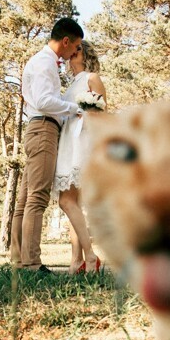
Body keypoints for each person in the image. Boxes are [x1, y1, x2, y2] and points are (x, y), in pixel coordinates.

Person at [10, 18, 84, 273]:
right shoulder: (44, 63)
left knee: (25, 199)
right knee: (37, 197)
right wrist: (76, 108)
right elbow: (43, 100)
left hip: (37, 128)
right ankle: (31, 264)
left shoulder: (45, 62)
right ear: (66, 41)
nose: (75, 52)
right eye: (75, 47)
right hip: (43, 129)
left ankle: (18, 261)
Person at [53, 40, 106, 274]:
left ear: (85, 55)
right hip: (67, 141)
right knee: (73, 203)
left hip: (81, 142)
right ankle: (76, 261)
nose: (73, 52)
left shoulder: (91, 78)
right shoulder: (70, 84)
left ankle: (91, 256)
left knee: (66, 201)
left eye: (79, 49)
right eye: (72, 49)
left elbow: (102, 115)